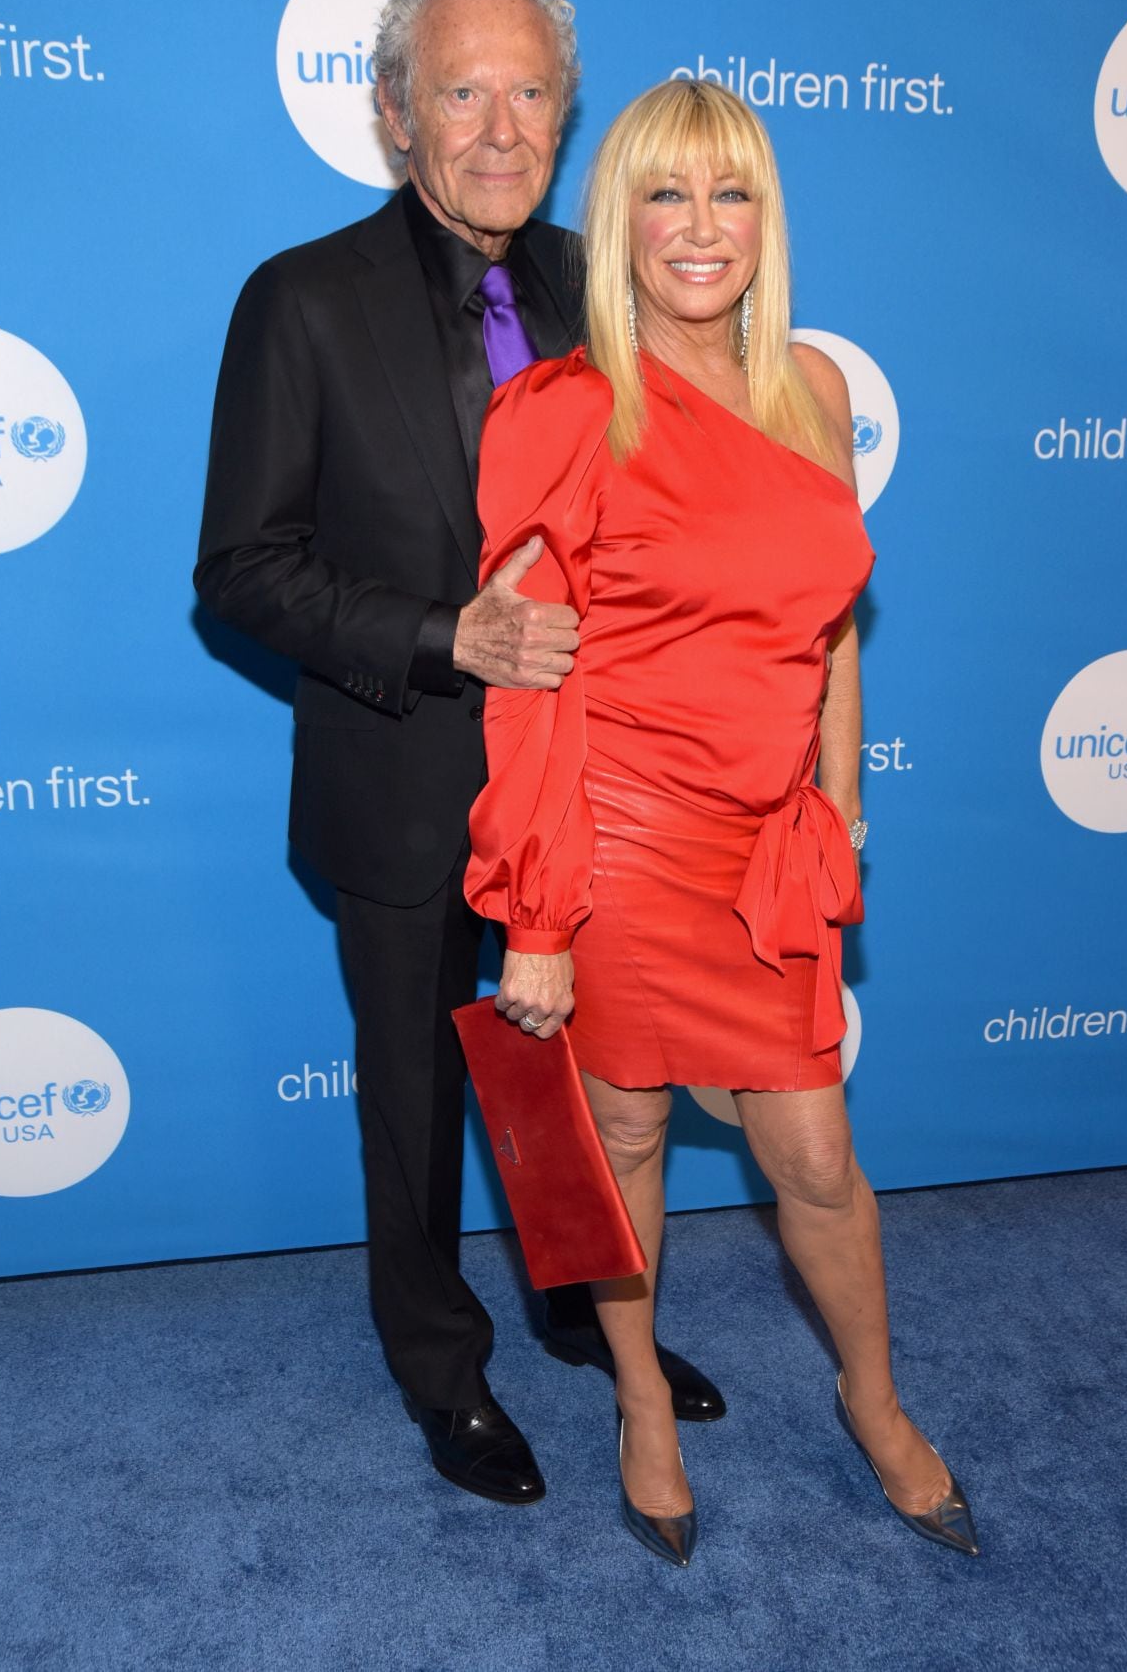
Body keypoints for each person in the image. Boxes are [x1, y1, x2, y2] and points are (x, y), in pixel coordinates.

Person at [194, 0, 723, 1508]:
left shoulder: (606, 285)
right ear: (393, 114)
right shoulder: (299, 299)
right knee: (421, 1099)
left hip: (601, 781)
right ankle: (442, 1365)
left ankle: (582, 1313)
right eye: (463, 93)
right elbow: (242, 569)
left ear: (569, 112)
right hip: (404, 772)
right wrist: (446, 637)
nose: (500, 128)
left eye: (531, 94)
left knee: (588, 1075)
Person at [465, 78, 978, 1564]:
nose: (702, 228)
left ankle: (872, 1401)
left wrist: (842, 800)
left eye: (732, 193)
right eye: (667, 194)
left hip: (764, 839)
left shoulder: (812, 388)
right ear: (614, 220)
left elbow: (831, 630)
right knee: (620, 1134)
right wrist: (540, 919)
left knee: (816, 1156)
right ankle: (636, 1398)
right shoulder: (559, 413)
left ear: (768, 217)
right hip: (616, 839)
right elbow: (530, 690)